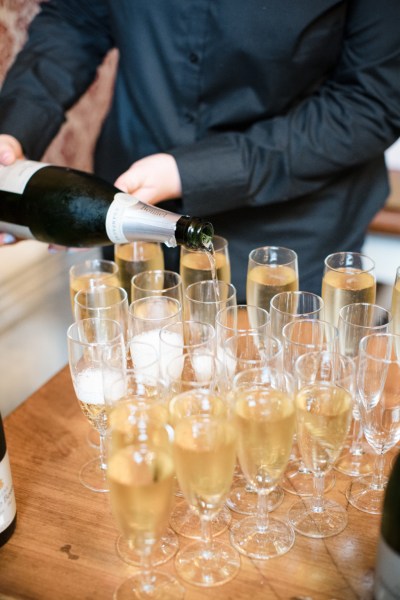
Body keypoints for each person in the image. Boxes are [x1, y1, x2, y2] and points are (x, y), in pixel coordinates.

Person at [0, 1, 399, 302]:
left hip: (293, 233)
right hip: (131, 210)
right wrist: (15, 131)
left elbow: (372, 102)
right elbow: (75, 19)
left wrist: (192, 171)